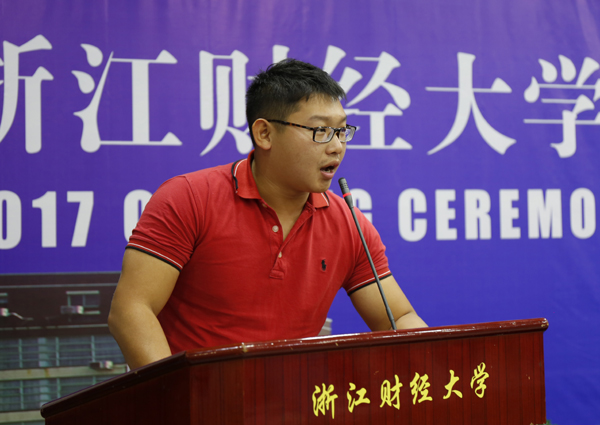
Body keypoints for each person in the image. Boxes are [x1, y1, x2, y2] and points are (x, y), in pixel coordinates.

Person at [108, 59, 427, 369]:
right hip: (195, 396)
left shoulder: (349, 224)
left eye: (342, 131)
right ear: (264, 134)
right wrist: (176, 396)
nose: (336, 147)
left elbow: (399, 317)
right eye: (320, 130)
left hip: (290, 397)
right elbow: (131, 309)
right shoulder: (188, 198)